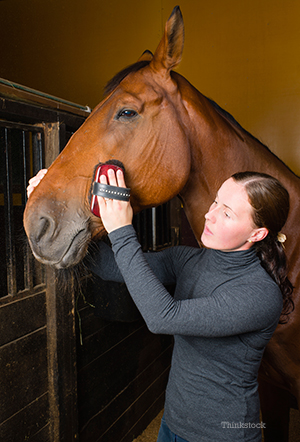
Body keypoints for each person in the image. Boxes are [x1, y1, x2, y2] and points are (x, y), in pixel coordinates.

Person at [27, 169, 293, 442]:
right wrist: (55, 205)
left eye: (227, 213)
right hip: (173, 423)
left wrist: (121, 229)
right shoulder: (189, 260)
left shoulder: (259, 294)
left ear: (258, 233)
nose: (209, 214)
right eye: (215, 201)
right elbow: (112, 265)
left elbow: (163, 317)